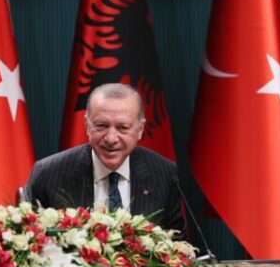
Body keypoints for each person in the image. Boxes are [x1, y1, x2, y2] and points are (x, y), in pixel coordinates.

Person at [23, 83, 186, 234]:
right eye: (101, 126)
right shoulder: (48, 174)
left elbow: (178, 247)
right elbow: (31, 241)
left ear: (140, 129)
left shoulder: (165, 175)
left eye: (123, 128)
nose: (111, 138)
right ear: (87, 125)